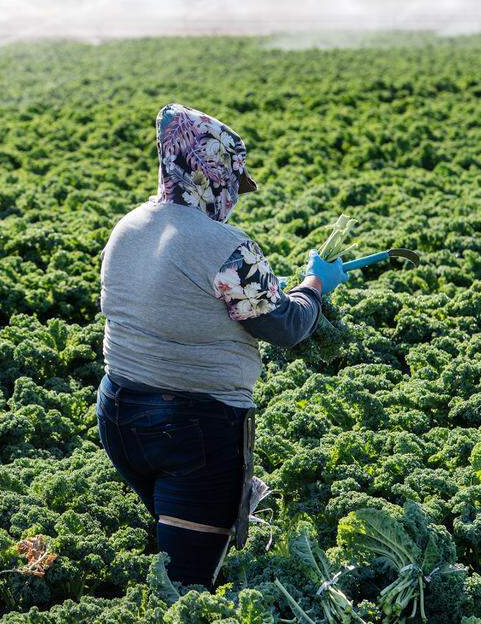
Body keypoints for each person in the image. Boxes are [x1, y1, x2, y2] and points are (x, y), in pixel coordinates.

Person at [97, 103, 347, 588]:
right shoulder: (226, 246)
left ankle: (222, 511)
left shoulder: (127, 227)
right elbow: (287, 326)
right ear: (212, 176)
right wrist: (315, 284)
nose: (235, 194)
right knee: (189, 590)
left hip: (120, 417)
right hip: (194, 433)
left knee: (175, 557)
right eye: (233, 182)